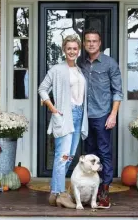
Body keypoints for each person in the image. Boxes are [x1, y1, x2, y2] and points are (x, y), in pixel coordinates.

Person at [38, 34, 88, 208]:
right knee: (62, 156)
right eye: (69, 49)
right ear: (64, 50)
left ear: (79, 50)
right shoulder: (57, 70)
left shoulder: (80, 70)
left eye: (75, 48)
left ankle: (55, 193)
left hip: (79, 115)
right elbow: (42, 89)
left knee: (69, 157)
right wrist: (52, 108)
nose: (72, 51)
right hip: (65, 116)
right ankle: (60, 194)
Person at [77, 28, 123, 209]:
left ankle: (104, 191)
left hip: (103, 114)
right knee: (89, 152)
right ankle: (90, 191)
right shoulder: (81, 63)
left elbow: (117, 92)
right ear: (84, 44)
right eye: (88, 41)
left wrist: (113, 114)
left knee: (104, 152)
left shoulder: (110, 64)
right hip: (84, 116)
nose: (91, 44)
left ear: (100, 43)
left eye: (94, 41)